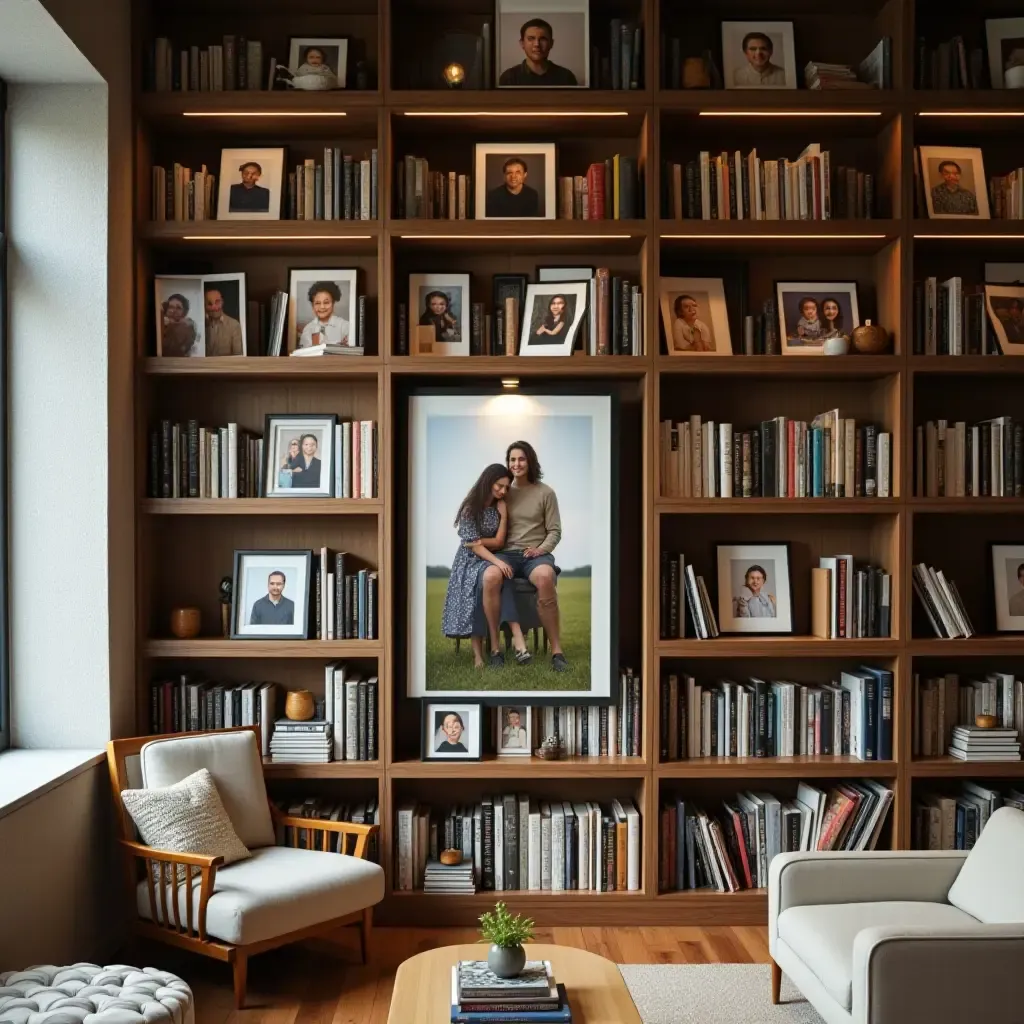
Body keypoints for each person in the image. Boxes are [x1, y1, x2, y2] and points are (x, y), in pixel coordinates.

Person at [489, 440, 568, 673]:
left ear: (530, 461)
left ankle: (557, 652)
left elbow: (555, 530)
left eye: (521, 459)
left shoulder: (546, 493)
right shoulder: (501, 491)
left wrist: (541, 550)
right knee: (491, 577)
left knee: (545, 577)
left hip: (535, 555)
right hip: (506, 554)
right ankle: (495, 650)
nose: (516, 464)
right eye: (512, 459)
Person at [442, 463, 530, 669]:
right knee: (480, 588)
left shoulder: (498, 508)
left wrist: (504, 515)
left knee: (498, 577)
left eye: (507, 487)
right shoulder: (470, 507)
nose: (503, 491)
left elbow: (498, 542)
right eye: (499, 486)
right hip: (469, 562)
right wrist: (493, 557)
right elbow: (471, 546)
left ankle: (496, 648)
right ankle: (481, 655)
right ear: (488, 481)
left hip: (488, 557)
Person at [499, 18, 578, 87]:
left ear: (551, 43)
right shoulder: (509, 78)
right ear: (522, 43)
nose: (537, 44)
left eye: (543, 39)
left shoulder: (566, 77)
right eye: (531, 39)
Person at [298, 280, 350, 348]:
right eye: (317, 303)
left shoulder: (345, 326)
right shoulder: (308, 329)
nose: (322, 307)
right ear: (312, 305)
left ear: (333, 303)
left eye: (326, 302)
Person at [204, 286, 243, 356]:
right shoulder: (200, 325)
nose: (214, 307)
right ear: (205, 306)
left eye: (217, 302)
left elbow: (238, 355)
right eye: (209, 304)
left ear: (222, 302)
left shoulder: (234, 325)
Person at [160, 293, 199, 357]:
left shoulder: (188, 327)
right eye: (170, 307)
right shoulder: (161, 322)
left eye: (178, 308)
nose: (173, 311)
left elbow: (174, 348)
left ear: (184, 312)